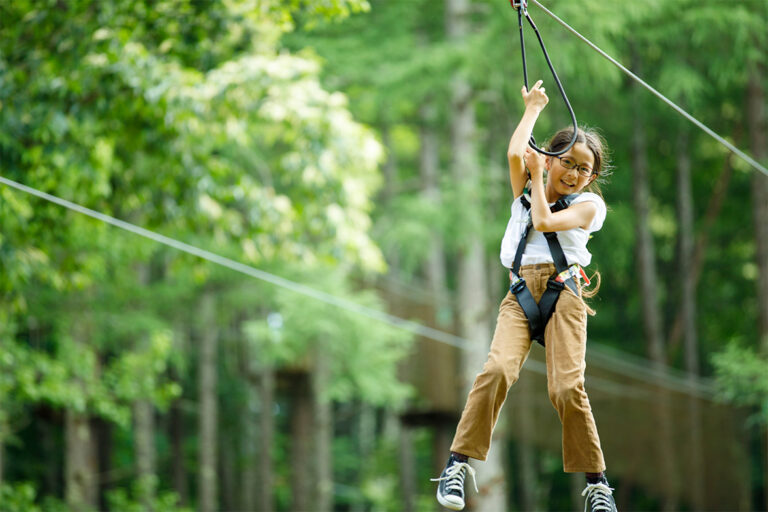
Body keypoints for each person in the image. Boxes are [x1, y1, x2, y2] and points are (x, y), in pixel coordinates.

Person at [432, 80, 617, 512]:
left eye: (583, 169)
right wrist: (532, 109)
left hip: (564, 293)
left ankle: (597, 482)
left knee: (567, 388)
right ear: (552, 160)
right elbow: (516, 154)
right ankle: (458, 463)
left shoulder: (590, 207)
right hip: (520, 294)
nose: (573, 174)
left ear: (591, 177)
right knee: (496, 369)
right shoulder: (527, 186)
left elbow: (545, 221)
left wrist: (537, 175)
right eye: (566, 162)